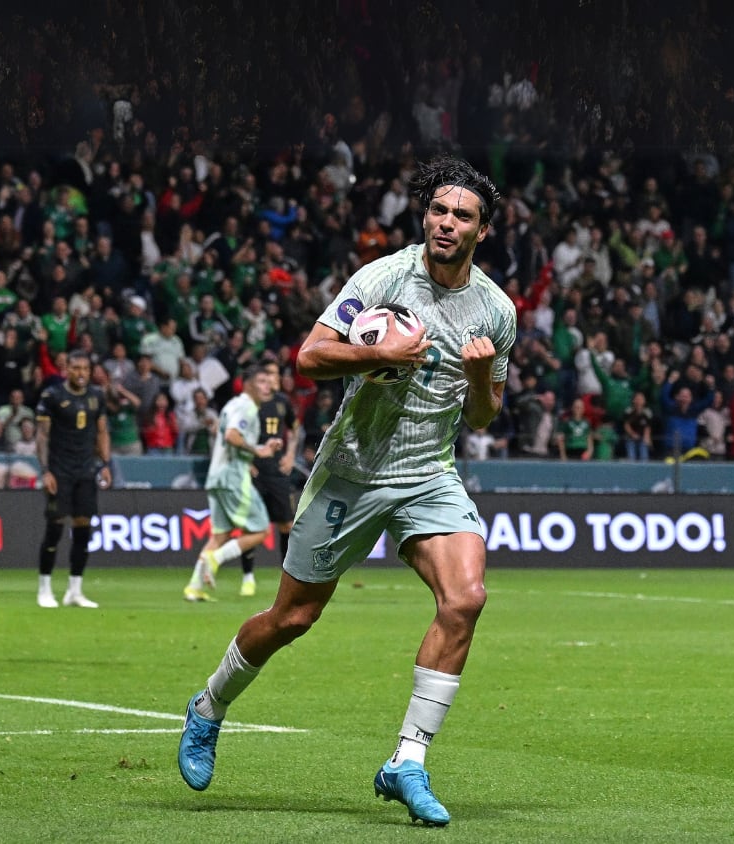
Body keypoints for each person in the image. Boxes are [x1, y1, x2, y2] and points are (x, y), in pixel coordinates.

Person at [177, 156, 516, 828]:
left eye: (463, 216)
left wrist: (479, 378)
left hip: (427, 475)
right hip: (351, 474)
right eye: (440, 211)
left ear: (483, 230)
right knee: (292, 619)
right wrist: (381, 355)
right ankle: (208, 706)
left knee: (466, 597)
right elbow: (309, 356)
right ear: (426, 214)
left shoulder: (496, 310)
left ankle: (407, 763)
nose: (448, 223)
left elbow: (483, 415)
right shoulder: (383, 277)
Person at [182, 364, 284, 601]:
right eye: (261, 381)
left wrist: (256, 449)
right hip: (232, 478)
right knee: (259, 529)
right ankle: (215, 559)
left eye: (269, 381)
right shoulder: (247, 407)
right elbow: (232, 435)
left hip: (216, 476)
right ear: (247, 385)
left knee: (219, 536)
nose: (267, 386)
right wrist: (257, 453)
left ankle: (194, 587)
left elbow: (222, 431)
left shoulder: (232, 404)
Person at [34, 349, 112, 608]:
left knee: (83, 529)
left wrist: (105, 464)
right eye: (76, 368)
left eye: (85, 369)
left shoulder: (96, 397)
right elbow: (42, 436)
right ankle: (44, 588)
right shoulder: (52, 396)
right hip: (59, 471)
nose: (81, 373)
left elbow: (101, 432)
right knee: (55, 528)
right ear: (66, 369)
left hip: (86, 471)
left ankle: (74, 590)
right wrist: (45, 470)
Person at [246, 358, 301, 597]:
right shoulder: (247, 404)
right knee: (251, 526)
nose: (271, 379)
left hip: (277, 470)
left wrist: (290, 454)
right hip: (254, 470)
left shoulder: (282, 402)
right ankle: (247, 577)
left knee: (286, 525)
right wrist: (245, 461)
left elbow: (295, 428)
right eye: (267, 374)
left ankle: (285, 577)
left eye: (275, 375)